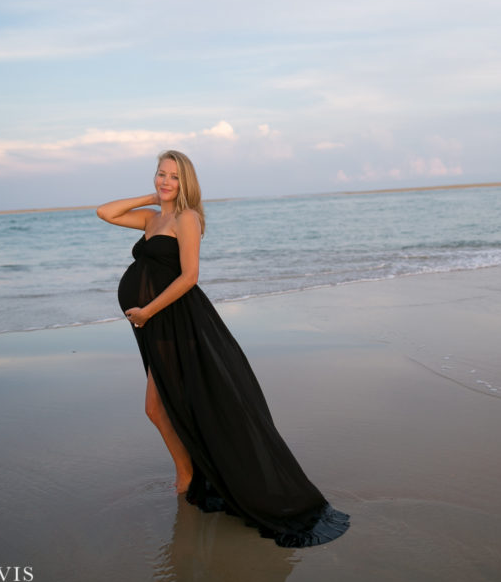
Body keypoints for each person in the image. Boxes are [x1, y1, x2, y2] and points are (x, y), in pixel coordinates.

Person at [96, 150, 349, 548]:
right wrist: (151, 197)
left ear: (188, 183)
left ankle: (189, 476)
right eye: (161, 174)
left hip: (174, 321)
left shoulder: (186, 219)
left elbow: (191, 276)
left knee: (165, 406)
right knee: (162, 406)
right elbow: (104, 212)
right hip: (152, 325)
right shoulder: (153, 218)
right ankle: (188, 474)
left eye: (174, 178)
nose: (165, 181)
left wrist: (147, 309)